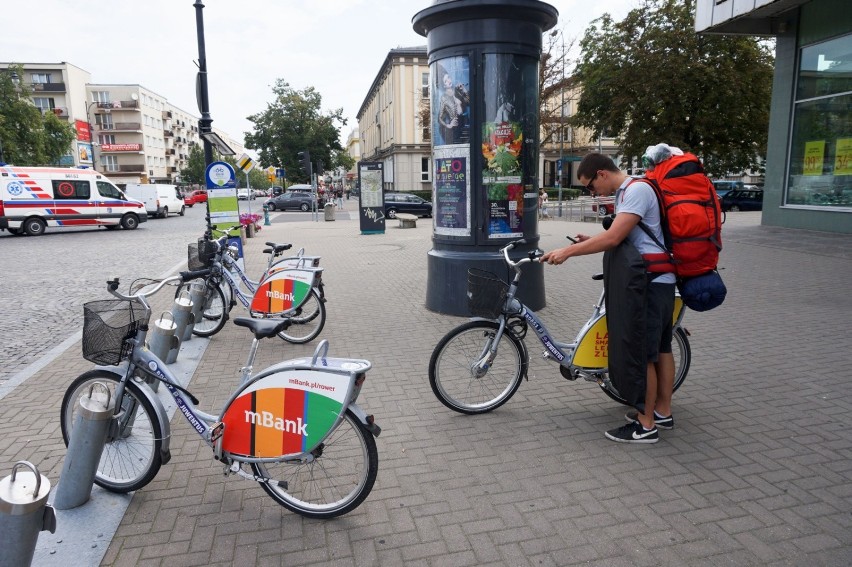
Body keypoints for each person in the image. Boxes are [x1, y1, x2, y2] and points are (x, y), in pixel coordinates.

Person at [540, 152, 676, 444]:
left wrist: (567, 252)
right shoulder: (634, 190)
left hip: (649, 283)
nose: (591, 193)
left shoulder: (636, 190)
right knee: (661, 349)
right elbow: (626, 235)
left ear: (602, 174)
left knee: (643, 355)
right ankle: (662, 412)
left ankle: (646, 425)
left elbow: (614, 239)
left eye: (589, 186)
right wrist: (590, 242)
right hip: (660, 281)